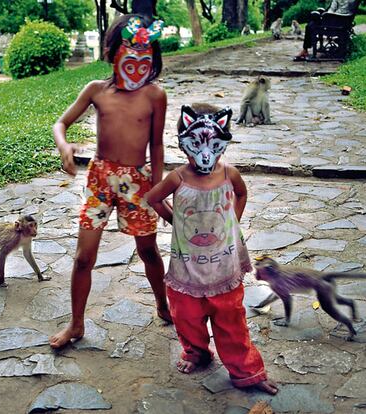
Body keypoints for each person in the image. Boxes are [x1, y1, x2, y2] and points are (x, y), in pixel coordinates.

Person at [49, 14, 171, 349]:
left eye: (144, 54)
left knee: (148, 251)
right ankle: (76, 324)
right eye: (127, 51)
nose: (135, 61)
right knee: (83, 257)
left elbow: (156, 145)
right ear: (111, 50)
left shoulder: (154, 96)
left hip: (139, 182)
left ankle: (162, 303)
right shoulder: (96, 91)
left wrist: (157, 189)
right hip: (99, 180)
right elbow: (61, 123)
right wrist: (65, 146)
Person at [146, 103, 278, 395]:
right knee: (186, 314)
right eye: (196, 143)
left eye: (213, 143)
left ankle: (247, 371)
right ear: (183, 145)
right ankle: (197, 352)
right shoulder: (178, 177)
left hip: (223, 266)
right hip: (187, 268)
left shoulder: (230, 174)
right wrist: (174, 221)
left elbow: (241, 194)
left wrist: (233, 221)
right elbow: (153, 198)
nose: (205, 152)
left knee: (231, 320)